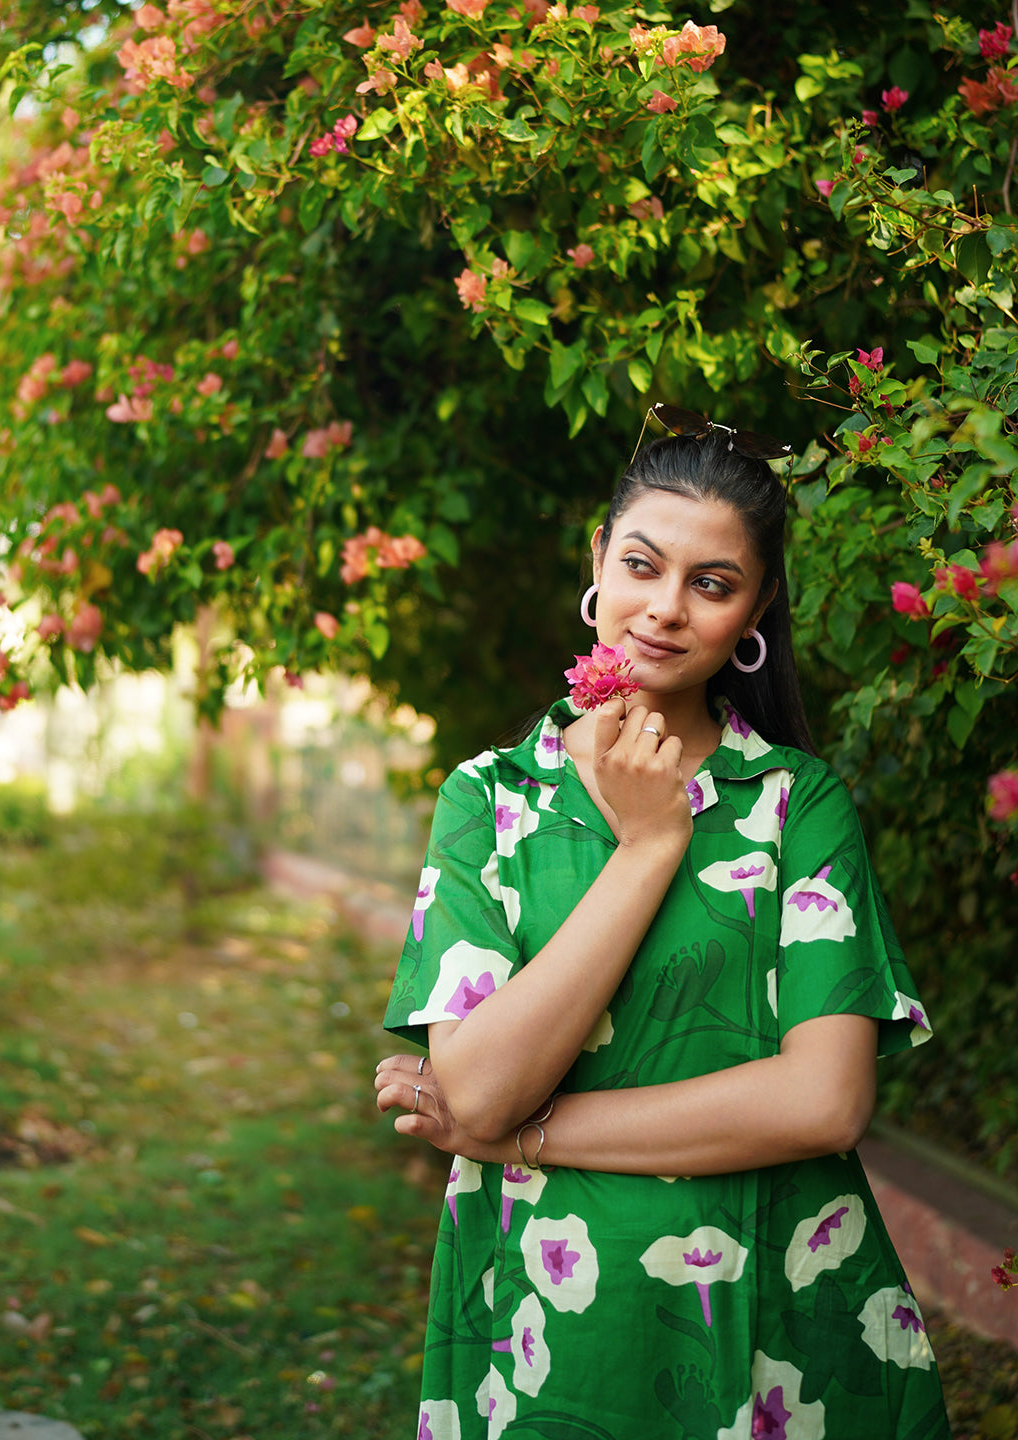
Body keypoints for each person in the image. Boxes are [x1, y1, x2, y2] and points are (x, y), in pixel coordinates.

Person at [375, 427, 951, 1440]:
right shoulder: (492, 799)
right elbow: (476, 1085)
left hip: (779, 1329)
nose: (667, 607)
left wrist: (524, 1136)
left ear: (756, 612)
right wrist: (647, 849)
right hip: (541, 1330)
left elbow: (824, 1101)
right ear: (599, 560)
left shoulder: (793, 803)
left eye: (713, 583)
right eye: (642, 564)